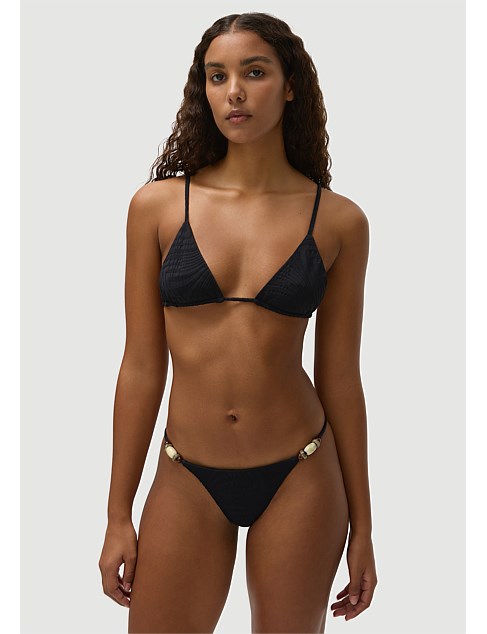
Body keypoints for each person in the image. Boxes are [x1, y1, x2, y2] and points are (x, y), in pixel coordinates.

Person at [98, 11, 377, 633]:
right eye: (217, 76)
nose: (234, 93)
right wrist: (118, 513)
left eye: (254, 73)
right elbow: (140, 367)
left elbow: (341, 379)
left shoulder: (339, 221)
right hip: (186, 472)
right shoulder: (158, 208)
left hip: (301, 470)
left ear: (290, 85)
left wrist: (363, 528)